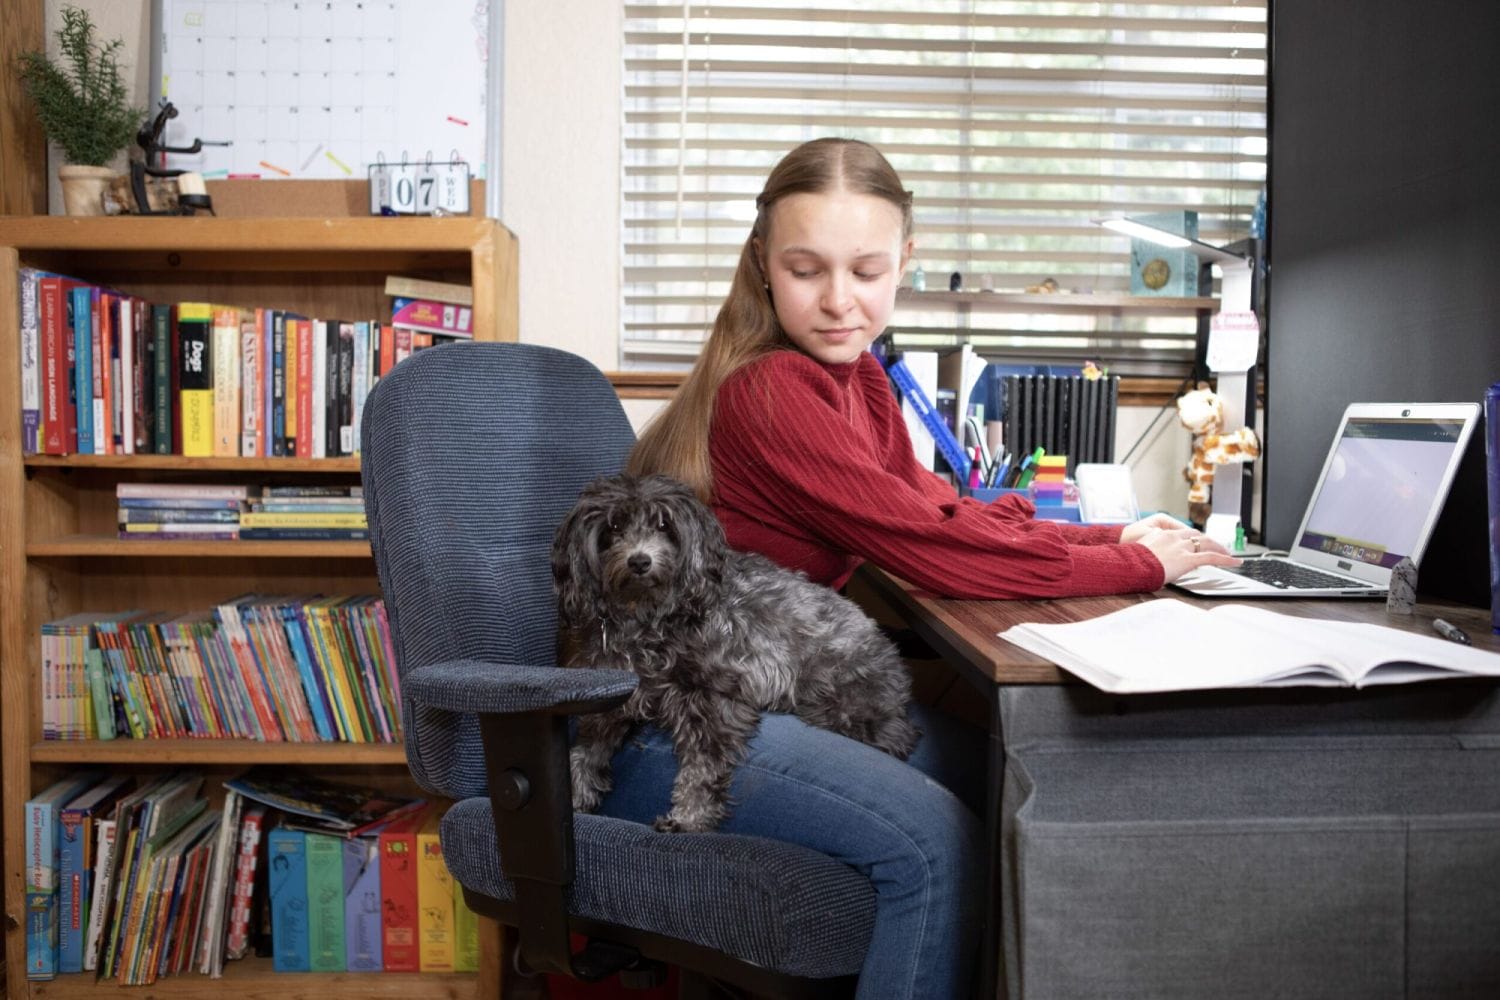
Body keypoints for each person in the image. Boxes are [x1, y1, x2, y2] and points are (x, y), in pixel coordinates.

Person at [599, 137, 1240, 999]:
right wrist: (1135, 565)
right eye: (805, 270)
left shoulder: (856, 378)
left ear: (906, 260)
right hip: (671, 730)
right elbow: (929, 547)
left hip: (764, 694)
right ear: (761, 266)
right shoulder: (769, 391)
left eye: (866, 271)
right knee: (938, 844)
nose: (838, 301)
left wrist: (1119, 537)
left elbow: (937, 509)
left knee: (1026, 771)